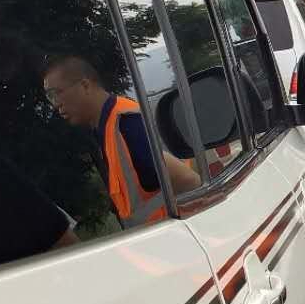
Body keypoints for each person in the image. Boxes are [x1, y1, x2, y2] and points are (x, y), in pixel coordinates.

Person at [42, 54, 199, 226]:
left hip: (176, 234)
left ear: (85, 85)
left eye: (55, 93)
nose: (55, 104)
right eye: (49, 97)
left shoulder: (126, 124)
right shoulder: (106, 127)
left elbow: (188, 180)